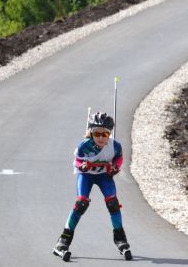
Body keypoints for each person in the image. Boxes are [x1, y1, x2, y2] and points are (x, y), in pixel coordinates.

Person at [54, 111, 131, 259]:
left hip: (103, 176)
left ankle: (120, 239)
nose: (101, 138)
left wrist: (114, 167)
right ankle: (63, 240)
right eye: (97, 133)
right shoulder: (83, 146)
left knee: (113, 203)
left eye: (105, 134)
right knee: (81, 203)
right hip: (86, 176)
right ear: (90, 132)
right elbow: (77, 160)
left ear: (110, 134)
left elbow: (119, 159)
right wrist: (82, 166)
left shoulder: (115, 146)